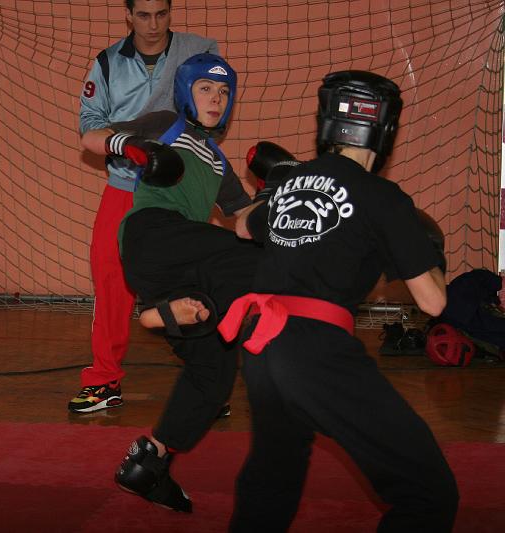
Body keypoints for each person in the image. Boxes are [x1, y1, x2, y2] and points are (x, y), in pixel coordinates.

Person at [219, 70, 458, 531]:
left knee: (273, 480)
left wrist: (279, 186)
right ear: (386, 129)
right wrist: (431, 258)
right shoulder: (384, 197)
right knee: (429, 493)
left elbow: (244, 227)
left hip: (262, 350)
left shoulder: (294, 182)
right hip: (317, 353)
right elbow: (432, 303)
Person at [82, 53, 262, 512]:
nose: (216, 99)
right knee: (243, 262)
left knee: (215, 373)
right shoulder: (166, 125)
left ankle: (150, 464)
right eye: (206, 89)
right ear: (186, 92)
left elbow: (245, 221)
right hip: (152, 236)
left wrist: (285, 196)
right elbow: (91, 138)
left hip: (179, 273)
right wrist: (132, 146)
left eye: (223, 92)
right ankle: (158, 313)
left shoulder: (218, 162)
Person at [69, 0, 220, 413]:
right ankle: (104, 380)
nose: (153, 24)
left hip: (178, 188)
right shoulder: (107, 62)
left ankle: (210, 380)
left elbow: (212, 111)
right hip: (124, 183)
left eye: (161, 14)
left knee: (189, 283)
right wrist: (127, 143)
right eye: (143, 15)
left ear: (170, 12)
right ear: (128, 15)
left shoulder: (199, 50)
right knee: (109, 274)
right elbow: (89, 124)